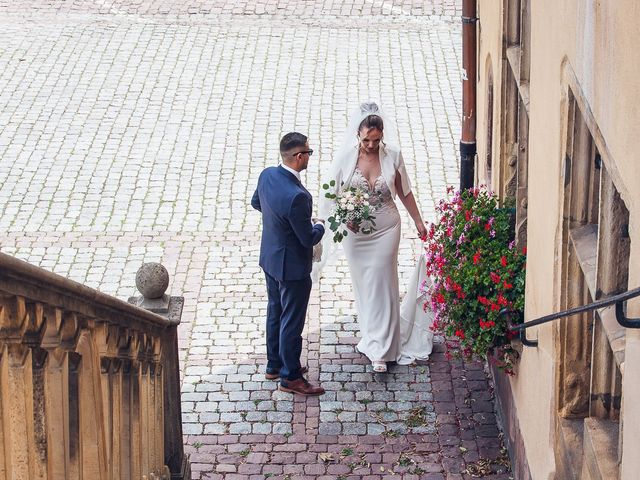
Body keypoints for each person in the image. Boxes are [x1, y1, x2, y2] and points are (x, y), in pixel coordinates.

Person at [317, 102, 431, 373]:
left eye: (376, 140)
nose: (370, 145)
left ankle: (382, 349)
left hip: (386, 229)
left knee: (382, 282)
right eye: (366, 139)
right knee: (365, 286)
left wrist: (418, 220)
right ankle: (371, 336)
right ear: (358, 134)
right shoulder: (346, 157)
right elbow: (330, 193)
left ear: (382, 136)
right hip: (355, 234)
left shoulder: (393, 155)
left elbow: (404, 191)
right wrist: (335, 219)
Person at [251, 132, 326, 396]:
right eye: (308, 152)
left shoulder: (267, 175)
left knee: (275, 310)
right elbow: (307, 239)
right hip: (292, 268)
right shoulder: (298, 196)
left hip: (270, 258)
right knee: (292, 321)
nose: (309, 156)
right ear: (298, 157)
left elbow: (256, 202)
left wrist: (279, 224)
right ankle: (290, 376)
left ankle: (274, 364)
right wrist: (319, 226)